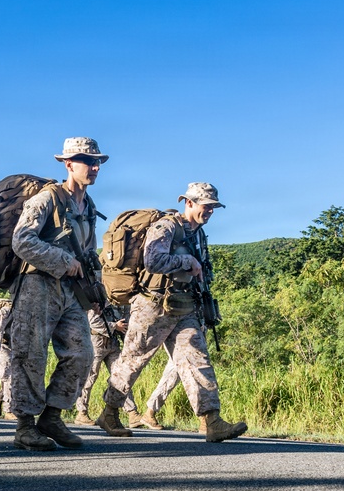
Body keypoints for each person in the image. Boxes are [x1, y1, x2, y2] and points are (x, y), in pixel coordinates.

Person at [97, 183, 247, 443]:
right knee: (133, 361)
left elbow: (203, 269)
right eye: (206, 206)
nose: (210, 211)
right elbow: (152, 261)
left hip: (184, 306)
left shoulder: (198, 234)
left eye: (213, 207)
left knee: (197, 360)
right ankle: (109, 413)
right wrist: (186, 261)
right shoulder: (166, 226)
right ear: (188, 203)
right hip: (153, 306)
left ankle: (212, 421)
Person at [7, 137, 107, 451]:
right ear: (68, 164)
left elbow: (89, 253)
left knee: (82, 354)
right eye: (86, 161)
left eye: (97, 162)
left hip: (72, 290)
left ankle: (51, 417)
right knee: (30, 354)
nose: (94, 167)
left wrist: (96, 287)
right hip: (38, 285)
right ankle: (25, 426)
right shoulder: (47, 199)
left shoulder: (89, 207)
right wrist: (64, 261)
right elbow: (22, 240)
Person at [73, 304, 132, 425]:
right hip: (96, 343)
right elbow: (93, 322)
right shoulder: (98, 299)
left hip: (113, 343)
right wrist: (115, 326)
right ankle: (81, 412)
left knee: (121, 377)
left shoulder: (120, 302)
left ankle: (132, 412)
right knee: (89, 377)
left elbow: (124, 323)